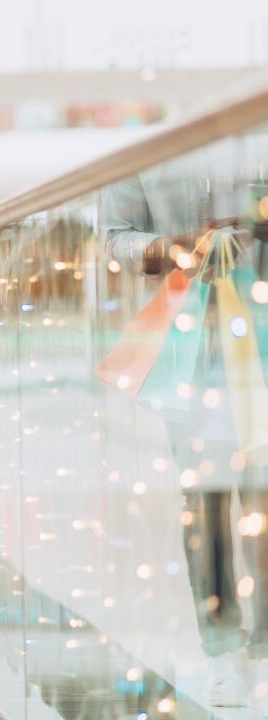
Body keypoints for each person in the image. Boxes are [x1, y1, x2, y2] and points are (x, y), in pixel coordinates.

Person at [102, 139, 268, 711]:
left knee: (264, 504)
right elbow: (114, 239)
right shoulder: (146, 142)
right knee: (206, 508)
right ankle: (222, 649)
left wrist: (256, 222)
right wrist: (175, 247)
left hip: (264, 335)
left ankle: (266, 648)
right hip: (189, 347)